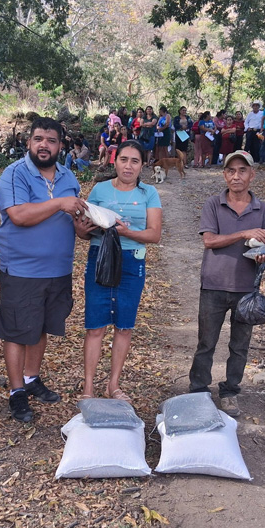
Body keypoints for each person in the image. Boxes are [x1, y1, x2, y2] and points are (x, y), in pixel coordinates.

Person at [0, 117, 87, 423]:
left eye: (51, 140)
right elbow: (19, 215)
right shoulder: (15, 173)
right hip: (22, 269)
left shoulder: (68, 177)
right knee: (17, 330)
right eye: (38, 139)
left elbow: (75, 222)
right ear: (29, 142)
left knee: (41, 327)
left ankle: (32, 378)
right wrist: (60, 203)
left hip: (58, 269)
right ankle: (16, 390)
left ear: (61, 146)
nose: (44, 145)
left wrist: (86, 227)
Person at [188, 150, 265, 416]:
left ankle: (230, 391)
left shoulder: (262, 210)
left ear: (252, 175)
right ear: (225, 175)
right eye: (231, 171)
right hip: (213, 284)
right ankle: (199, 390)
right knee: (206, 343)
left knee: (240, 345)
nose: (236, 176)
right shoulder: (214, 204)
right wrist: (243, 233)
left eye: (242, 170)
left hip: (247, 289)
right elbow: (209, 241)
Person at [77, 140, 162, 401]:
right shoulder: (100, 189)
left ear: (142, 165)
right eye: (124, 159)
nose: (128, 166)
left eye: (135, 161)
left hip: (132, 261)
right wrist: (82, 229)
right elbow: (84, 229)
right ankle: (88, 388)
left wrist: (127, 233)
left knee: (124, 326)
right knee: (95, 326)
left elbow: (154, 234)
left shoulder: (149, 193)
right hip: (100, 258)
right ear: (115, 161)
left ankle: (113, 385)